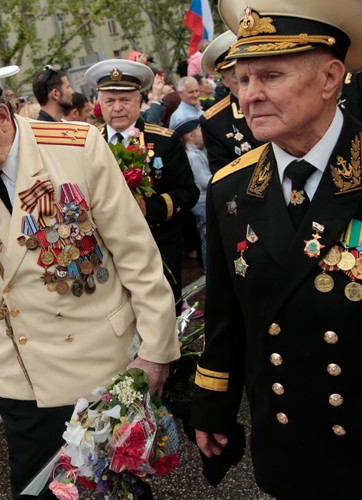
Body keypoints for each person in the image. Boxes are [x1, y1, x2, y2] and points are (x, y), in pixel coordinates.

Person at [0, 66, 179, 498]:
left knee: (114, 488)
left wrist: (156, 352)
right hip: (22, 374)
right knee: (38, 489)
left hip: (96, 361)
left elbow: (136, 253)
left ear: (3, 117)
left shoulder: (77, 147)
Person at [191, 1, 362, 497]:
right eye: (242, 80)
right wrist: (212, 406)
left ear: (331, 78)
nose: (250, 96)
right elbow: (226, 315)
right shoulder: (230, 189)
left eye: (269, 76)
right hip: (287, 445)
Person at [88, 59, 199, 302]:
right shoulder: (88, 143)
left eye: (125, 100)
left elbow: (188, 192)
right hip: (107, 251)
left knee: (164, 313)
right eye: (110, 100)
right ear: (100, 104)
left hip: (158, 245)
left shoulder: (165, 141)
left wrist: (149, 207)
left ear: (139, 101)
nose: (117, 107)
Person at [199, 30, 262, 173]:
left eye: (248, 73)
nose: (247, 82)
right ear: (224, 81)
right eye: (236, 75)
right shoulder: (214, 121)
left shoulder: (276, 99)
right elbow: (224, 177)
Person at [172, 118, 209, 272]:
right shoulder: (193, 156)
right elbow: (204, 181)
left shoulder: (193, 153)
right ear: (191, 136)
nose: (203, 133)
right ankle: (209, 270)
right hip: (203, 202)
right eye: (199, 130)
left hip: (199, 202)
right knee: (207, 237)